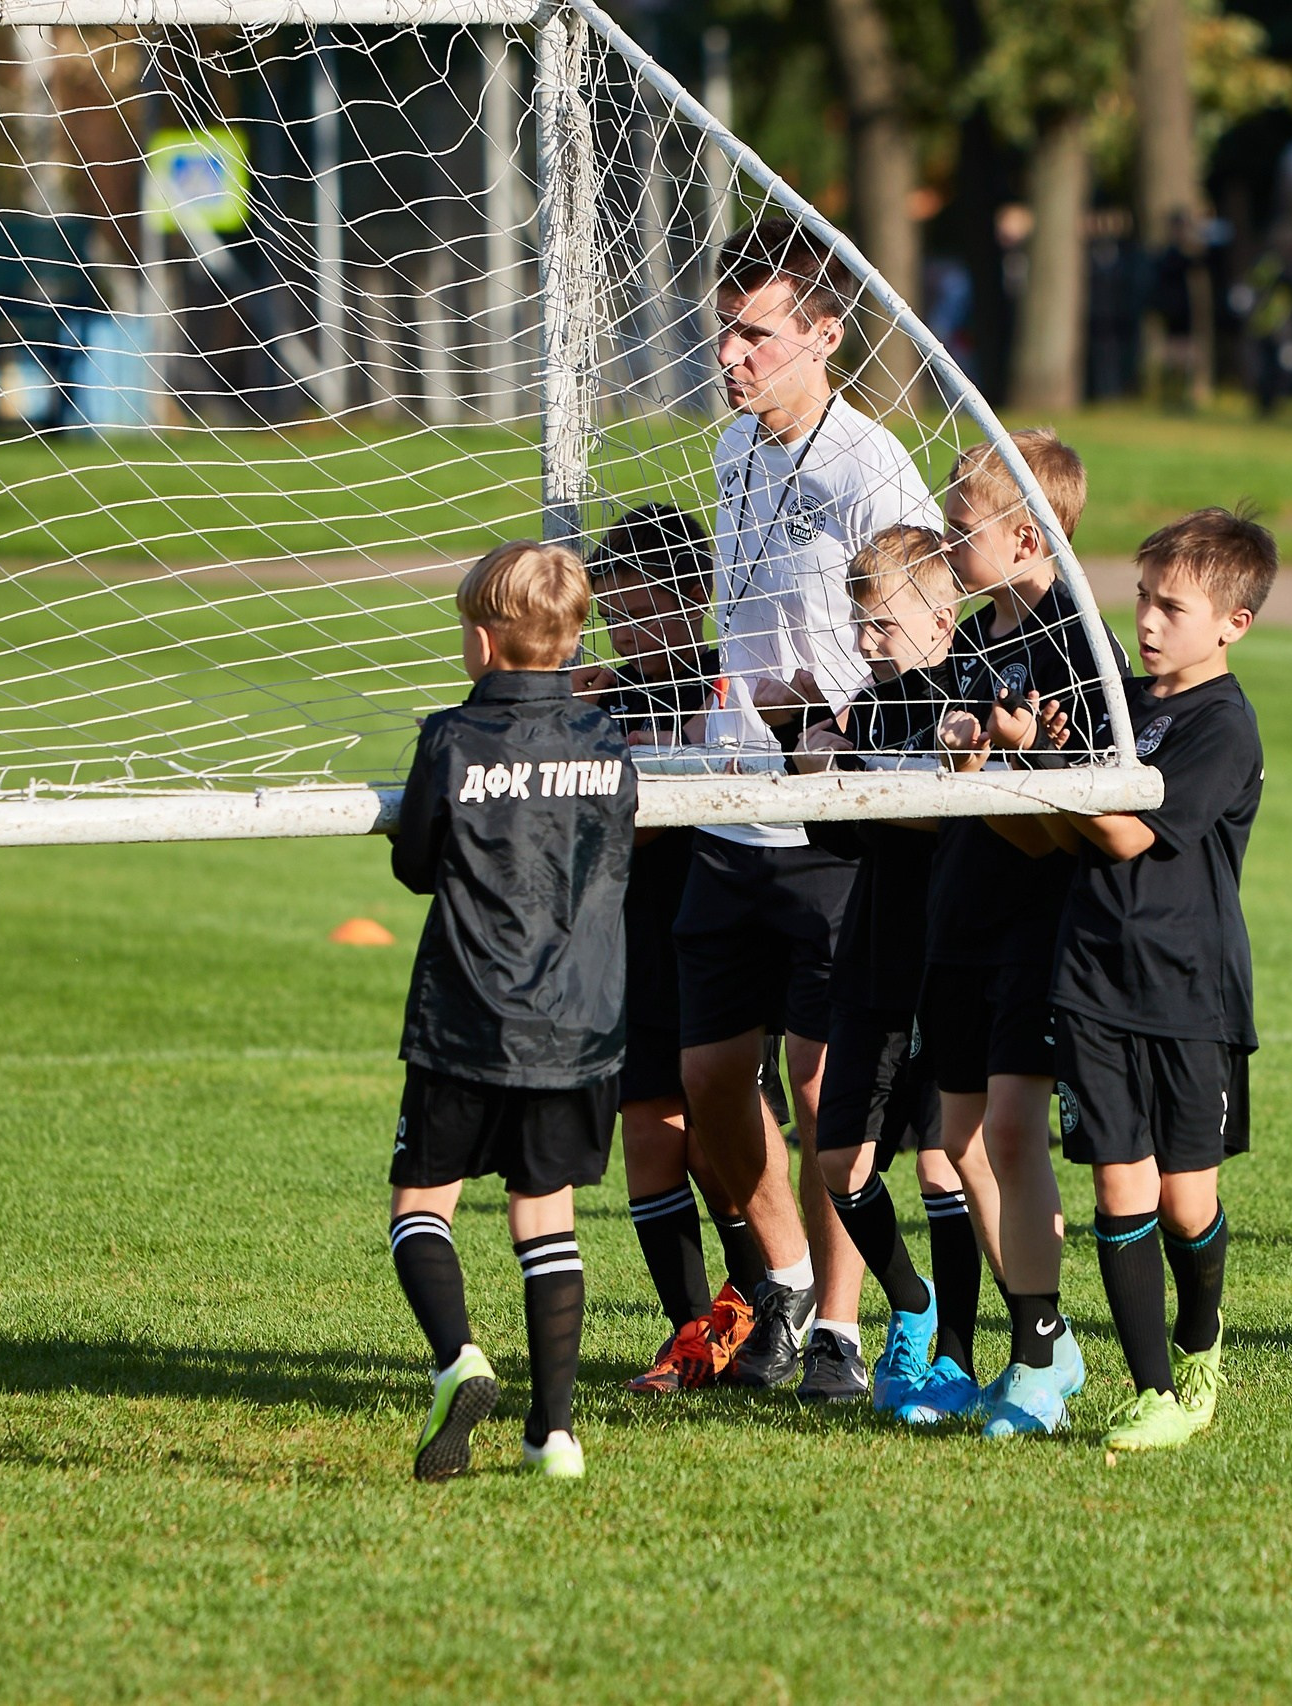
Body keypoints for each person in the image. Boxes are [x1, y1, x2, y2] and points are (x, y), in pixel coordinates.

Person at [679, 216, 939, 1399]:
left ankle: (837, 1327)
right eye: (722, 331)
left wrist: (840, 728)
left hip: (831, 827)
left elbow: (918, 630)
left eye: (754, 333)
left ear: (823, 335)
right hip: (730, 812)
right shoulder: (731, 450)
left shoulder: (868, 464)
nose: (730, 354)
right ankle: (780, 1275)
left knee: (826, 1087)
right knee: (708, 1082)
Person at [1001, 507, 1273, 1453]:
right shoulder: (1128, 707)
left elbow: (1124, 831)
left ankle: (1200, 1348)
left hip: (1189, 991)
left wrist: (1055, 764)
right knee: (1122, 1186)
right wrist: (1014, 762)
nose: (1149, 624)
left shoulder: (1222, 729)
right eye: (1143, 602)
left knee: (1184, 1200)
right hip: (1089, 979)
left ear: (1233, 624)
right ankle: (1155, 1391)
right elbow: (1054, 835)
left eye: (1174, 608)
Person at [384, 540, 635, 1482]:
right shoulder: (607, 740)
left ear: (485, 645)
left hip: (468, 1015)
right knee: (547, 1215)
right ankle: (555, 1435)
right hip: (577, 1024)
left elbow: (415, 865)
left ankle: (458, 1359)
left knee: (422, 1203)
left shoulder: (451, 740)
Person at [927, 430, 1126, 1438]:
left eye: (960, 525)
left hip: (1036, 921)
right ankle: (1048, 1338)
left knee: (1010, 1131)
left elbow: (1085, 818)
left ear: (1023, 535)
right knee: (951, 1142)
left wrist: (997, 770)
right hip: (959, 908)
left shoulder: (1079, 644)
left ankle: (1036, 1356)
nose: (946, 537)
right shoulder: (969, 634)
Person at [788, 525, 1002, 1415]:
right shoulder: (864, 709)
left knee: (943, 1163)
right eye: (859, 622)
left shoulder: (960, 705)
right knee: (840, 1156)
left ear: (942, 623)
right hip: (871, 952)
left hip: (946, 955)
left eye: (883, 622)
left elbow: (957, 822)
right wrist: (807, 759)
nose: (867, 640)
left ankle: (950, 1351)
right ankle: (907, 1301)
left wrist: (867, 778)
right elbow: (841, 836)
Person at [575, 503, 770, 1393]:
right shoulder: (597, 699)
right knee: (650, 1141)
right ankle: (694, 1331)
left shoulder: (724, 687)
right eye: (612, 612)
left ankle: (763, 1300)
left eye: (642, 608)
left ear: (695, 597)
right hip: (632, 944)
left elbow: (655, 816)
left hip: (715, 934)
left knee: (714, 1148)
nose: (627, 629)